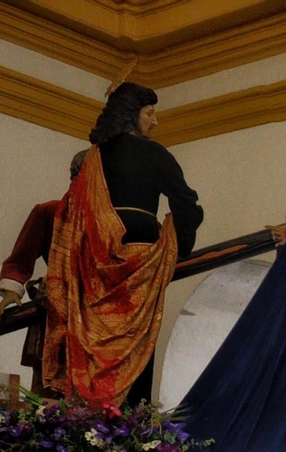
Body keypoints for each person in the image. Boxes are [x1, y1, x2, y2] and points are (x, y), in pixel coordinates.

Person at [44, 82, 203, 406]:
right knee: (138, 343)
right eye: (150, 113)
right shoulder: (155, 154)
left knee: (90, 340)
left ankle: (88, 419)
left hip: (92, 262)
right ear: (131, 115)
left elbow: (74, 211)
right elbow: (185, 204)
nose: (155, 122)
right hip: (141, 255)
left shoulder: (93, 158)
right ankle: (132, 428)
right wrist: (180, 246)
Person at [0, 149, 88, 324]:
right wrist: (12, 291)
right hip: (57, 308)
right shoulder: (50, 212)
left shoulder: (117, 221)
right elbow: (20, 261)